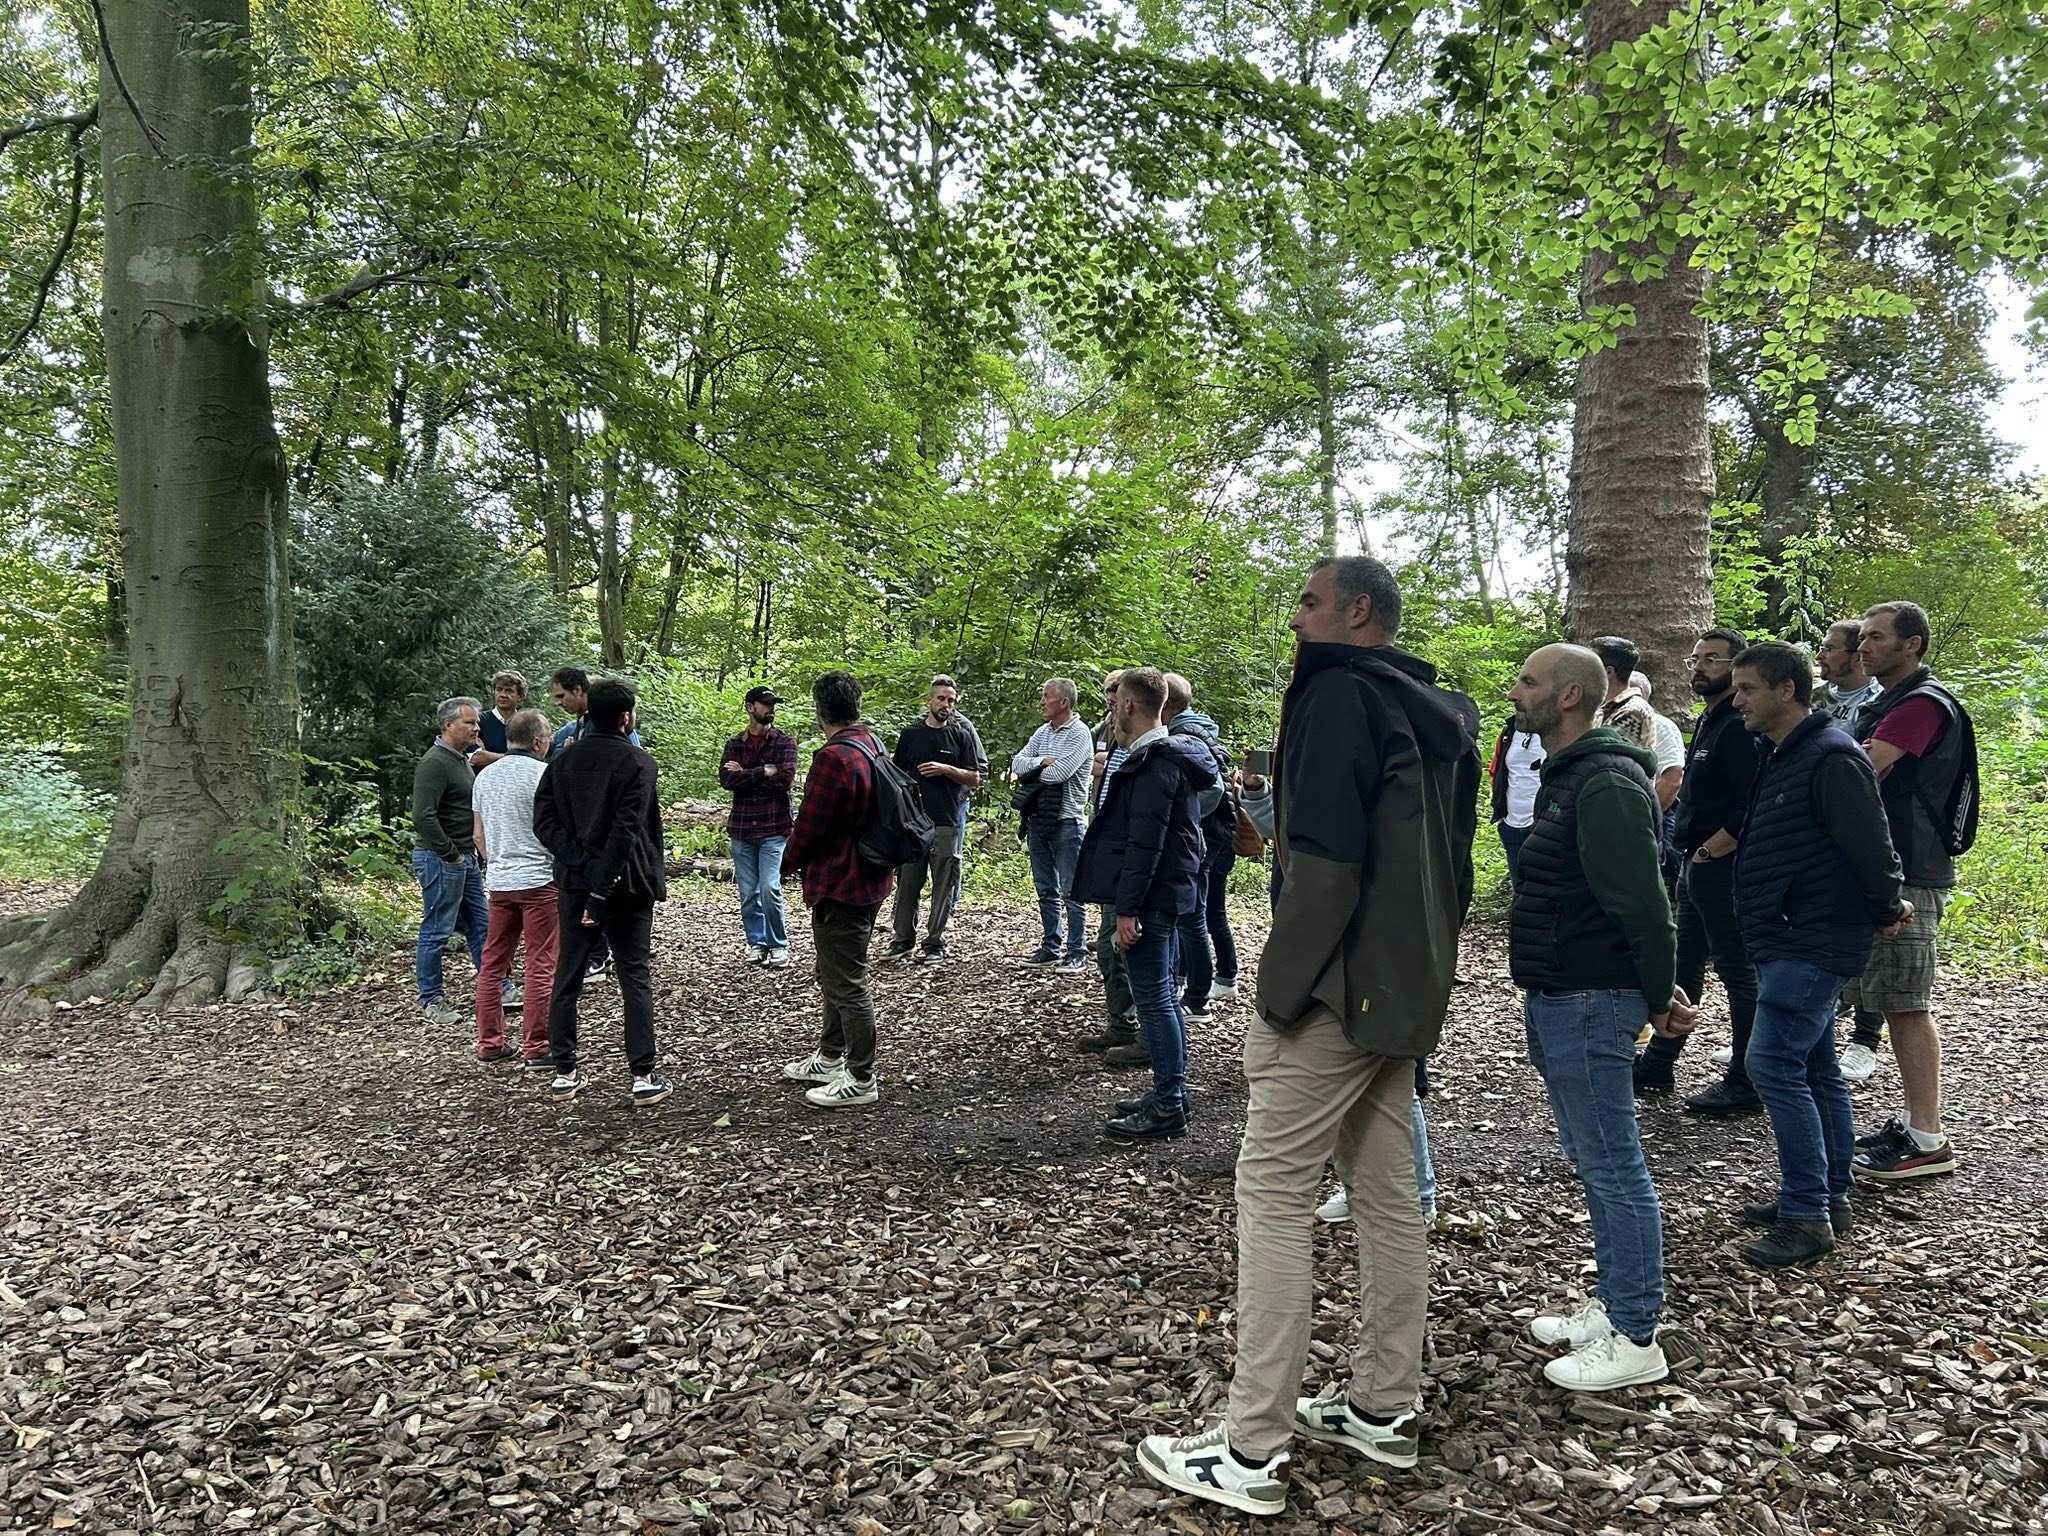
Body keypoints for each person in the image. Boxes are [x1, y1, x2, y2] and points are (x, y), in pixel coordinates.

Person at [1138, 557, 1477, 1517]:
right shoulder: (1436, 708)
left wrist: (1278, 999)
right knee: (1384, 1196)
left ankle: (1249, 1451)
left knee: (1275, 1197)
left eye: (1308, 600)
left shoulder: (1338, 697)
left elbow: (1324, 867)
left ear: (1354, 612)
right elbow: (1449, 862)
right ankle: (1381, 1405)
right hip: (1403, 986)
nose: (1297, 617)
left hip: (1333, 992)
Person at [1505, 644, 1691, 1391]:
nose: (1517, 693)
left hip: (1590, 996)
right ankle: (1615, 1305)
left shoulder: (1607, 781)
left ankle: (1637, 1334)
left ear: (1572, 695)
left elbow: (1645, 904)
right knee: (1595, 1158)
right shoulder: (1572, 776)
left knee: (1614, 1165)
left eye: (1529, 682)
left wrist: (1657, 994)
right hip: (1562, 991)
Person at [1727, 642, 1910, 1266]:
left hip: (1811, 935)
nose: (1737, 700)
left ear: (1786, 690)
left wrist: (1886, 909)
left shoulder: (1832, 756)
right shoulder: (1784, 754)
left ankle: (1805, 1216)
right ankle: (1830, 1194)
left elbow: (1871, 843)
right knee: (1816, 1066)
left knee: (1773, 1064)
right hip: (1790, 932)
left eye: (1748, 688)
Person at [1849, 601, 1976, 1181]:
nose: (1863, 647)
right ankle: (1914, 1126)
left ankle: (1926, 1136)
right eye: (1861, 638)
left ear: (1913, 645)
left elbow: (1862, 770)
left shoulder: (1921, 705)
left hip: (1911, 875)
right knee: (1890, 998)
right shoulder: (1888, 702)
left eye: (1876, 638)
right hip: (1890, 868)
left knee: (1905, 1003)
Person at [1071, 667, 1217, 1140]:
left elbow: (1146, 843)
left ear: (1131, 705)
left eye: (1115, 704)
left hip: (1152, 898)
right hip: (1165, 893)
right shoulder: (1166, 756)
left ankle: (1169, 1104)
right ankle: (1168, 1091)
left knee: (1154, 1000)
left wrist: (1128, 910)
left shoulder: (1155, 762)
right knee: (1163, 1000)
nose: (1111, 711)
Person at [1633, 627, 1764, 1116]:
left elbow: (1751, 800)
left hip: (1722, 867)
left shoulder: (1739, 725)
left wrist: (1714, 851)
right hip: (1695, 864)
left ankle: (1746, 1078)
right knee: (1682, 964)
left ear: (1737, 666)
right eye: (1696, 658)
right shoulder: (1710, 720)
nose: (1700, 666)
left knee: (1736, 970)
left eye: (1713, 659)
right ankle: (1659, 1062)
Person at [531, 677, 671, 1106]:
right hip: (626, 884)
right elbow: (626, 832)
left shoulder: (562, 763)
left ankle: (565, 1071)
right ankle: (642, 1075)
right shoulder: (638, 763)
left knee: (569, 972)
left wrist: (583, 867)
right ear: (626, 716)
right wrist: (602, 880)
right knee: (633, 974)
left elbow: (544, 825)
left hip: (577, 881)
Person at [780, 671, 896, 1109]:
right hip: (871, 876)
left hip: (841, 881)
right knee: (834, 971)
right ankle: (830, 1057)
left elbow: (810, 826)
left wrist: (785, 864)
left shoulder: (833, 758)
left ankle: (862, 1076)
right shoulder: (872, 745)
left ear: (819, 709)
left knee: (847, 981)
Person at [1813, 620, 1888, 1083]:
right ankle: (1815, 1034)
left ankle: (1864, 1041)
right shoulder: (1817, 699)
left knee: (1875, 944)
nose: (1822, 655)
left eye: (1830, 648)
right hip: (1819, 837)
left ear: (1856, 656)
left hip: (1862, 828)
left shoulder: (1881, 703)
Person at [471, 709, 558, 1069]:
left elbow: (479, 836)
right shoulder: (545, 775)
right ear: (537, 741)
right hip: (540, 882)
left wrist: (498, 863)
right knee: (541, 963)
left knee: (493, 964)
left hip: (500, 884)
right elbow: (558, 833)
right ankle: (537, 1046)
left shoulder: (484, 778)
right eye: (549, 736)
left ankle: (490, 1041)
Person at [885, 676, 984, 961]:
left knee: (943, 883)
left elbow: (974, 777)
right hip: (914, 822)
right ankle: (902, 939)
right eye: (941, 699)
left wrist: (946, 769)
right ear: (929, 700)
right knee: (907, 883)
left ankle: (935, 943)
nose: (946, 705)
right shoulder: (911, 735)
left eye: (951, 700)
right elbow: (896, 776)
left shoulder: (961, 735)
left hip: (946, 820)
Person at [410, 696, 490, 1028]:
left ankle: (496, 987)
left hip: (464, 859)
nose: (476, 727)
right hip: (442, 859)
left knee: (482, 925)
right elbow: (423, 816)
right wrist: (451, 854)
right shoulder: (435, 762)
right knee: (437, 930)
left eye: (476, 722)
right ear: (448, 725)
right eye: (469, 722)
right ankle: (431, 1000)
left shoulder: (459, 759)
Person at [1077, 672, 1143, 1064]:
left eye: (1116, 694)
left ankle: (1146, 1036)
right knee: (1107, 946)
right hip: (1109, 852)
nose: (1111, 700)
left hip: (1129, 861)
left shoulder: (1149, 744)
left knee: (1127, 947)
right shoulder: (1107, 733)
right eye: (1107, 693)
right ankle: (1122, 1024)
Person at [1161, 673, 1234, 1024]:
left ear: (1166, 705)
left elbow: (1213, 790)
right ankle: (1182, 981)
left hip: (1203, 837)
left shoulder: (1185, 736)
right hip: (1205, 835)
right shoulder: (1193, 729)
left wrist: (1180, 817)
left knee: (1192, 915)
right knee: (1191, 912)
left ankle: (1197, 997)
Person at [1011, 678, 1095, 970]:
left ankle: (1077, 951)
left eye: (1047, 696)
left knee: (1072, 890)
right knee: (1045, 886)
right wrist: (1039, 763)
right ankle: (1051, 946)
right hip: (1037, 819)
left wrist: (1037, 768)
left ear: (1064, 702)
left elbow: (1060, 773)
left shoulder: (1080, 734)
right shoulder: (1042, 733)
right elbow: (1016, 764)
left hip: (1067, 821)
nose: (1042, 701)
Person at [720, 685, 798, 968]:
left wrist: (746, 774)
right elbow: (727, 781)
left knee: (769, 887)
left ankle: (778, 943)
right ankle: (757, 942)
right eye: (765, 704)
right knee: (748, 891)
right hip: (742, 828)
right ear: (750, 707)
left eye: (773, 704)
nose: (771, 709)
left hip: (774, 826)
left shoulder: (784, 742)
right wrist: (763, 771)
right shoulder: (734, 744)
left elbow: (785, 780)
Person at [1486, 725, 1546, 887]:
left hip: (1544, 826)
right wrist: (1501, 815)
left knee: (1545, 889)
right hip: (1511, 826)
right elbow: (1496, 771)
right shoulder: (1509, 733)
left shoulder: (1556, 729)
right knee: (1519, 890)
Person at [1591, 636, 1657, 752]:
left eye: (1590, 664)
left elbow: (1601, 754)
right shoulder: (1606, 707)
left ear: (1609, 672)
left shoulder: (1633, 711)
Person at [1814, 619, 1882, 729]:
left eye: (1829, 649)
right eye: (1822, 648)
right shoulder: (1815, 696)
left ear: (1858, 657)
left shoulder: (1877, 702)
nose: (1819, 656)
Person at [471, 670, 527, 771]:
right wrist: (515, 757)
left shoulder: (525, 724)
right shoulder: (479, 721)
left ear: (520, 696)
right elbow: (476, 758)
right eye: (499, 689)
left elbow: (535, 755)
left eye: (509, 691)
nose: (503, 695)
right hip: (485, 782)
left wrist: (491, 756)